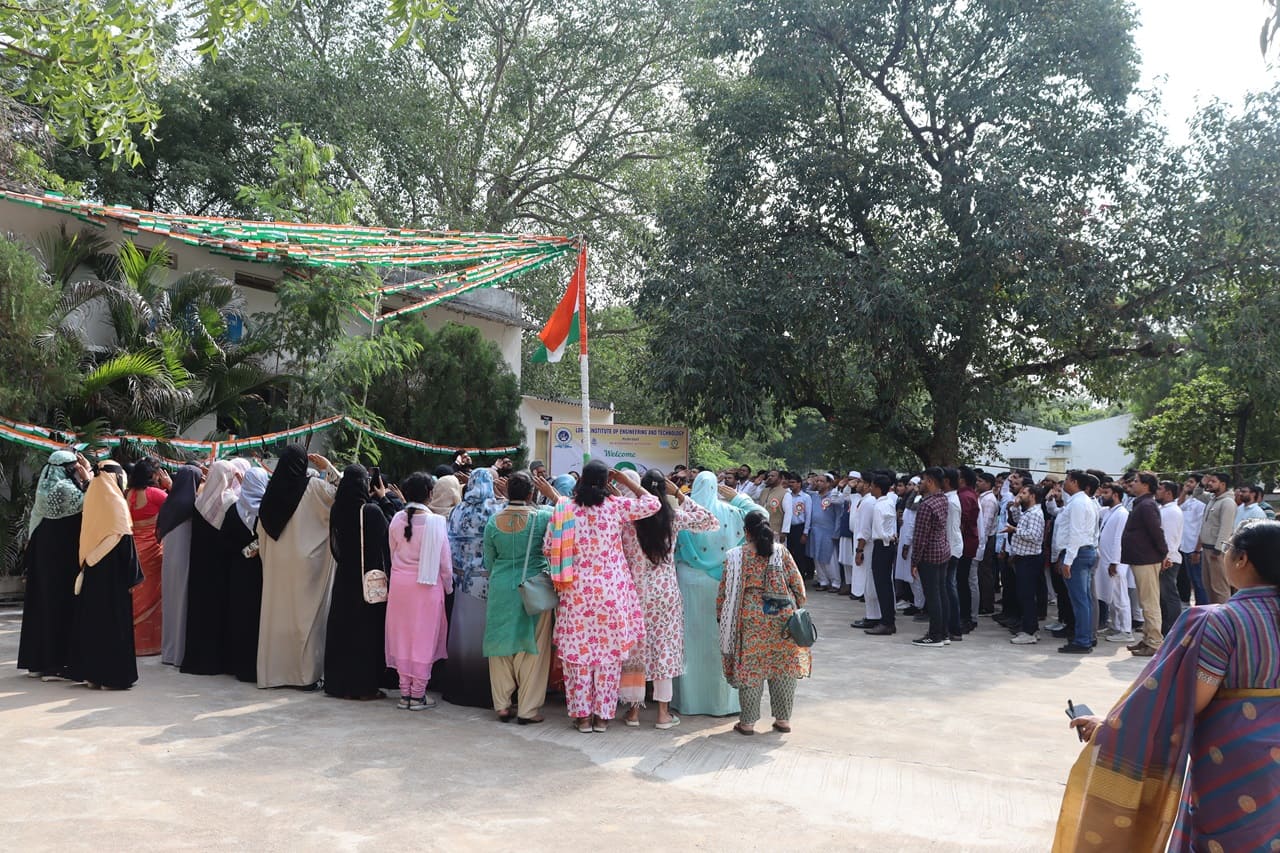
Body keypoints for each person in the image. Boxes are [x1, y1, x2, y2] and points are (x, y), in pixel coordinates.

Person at [1055, 519, 1280, 851]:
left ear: (1242, 559)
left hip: (1235, 764)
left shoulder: (1223, 622)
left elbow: (1183, 704)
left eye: (1228, 547)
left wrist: (1110, 729)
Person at [552, 460, 660, 733]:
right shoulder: (615, 506)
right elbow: (653, 503)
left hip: (575, 592)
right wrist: (625, 482)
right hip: (611, 592)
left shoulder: (565, 509)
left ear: (581, 479)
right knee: (608, 658)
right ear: (605, 482)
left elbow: (548, 547)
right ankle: (602, 717)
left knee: (578, 657)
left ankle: (583, 718)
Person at [619, 469, 719, 729]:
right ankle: (663, 714)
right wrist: (680, 495)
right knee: (664, 648)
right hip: (665, 592)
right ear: (664, 491)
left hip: (636, 592)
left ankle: (633, 711)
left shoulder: (629, 519)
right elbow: (709, 520)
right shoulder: (673, 517)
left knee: (637, 649)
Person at [671, 472, 764, 716]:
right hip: (723, 581)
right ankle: (722, 703)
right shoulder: (732, 512)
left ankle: (690, 701)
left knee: (690, 640)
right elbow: (762, 515)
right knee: (721, 639)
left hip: (689, 580)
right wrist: (739, 498)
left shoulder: (684, 514)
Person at [718, 512, 810, 736]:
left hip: (749, 620)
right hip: (782, 619)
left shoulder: (735, 556)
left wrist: (721, 615)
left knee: (751, 669)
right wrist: (796, 607)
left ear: (746, 532)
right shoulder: (782, 552)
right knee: (784, 668)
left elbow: (724, 592)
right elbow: (798, 585)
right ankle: (783, 720)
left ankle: (747, 724)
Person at [256, 446, 339, 689]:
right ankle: (303, 676)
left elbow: (261, 530)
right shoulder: (313, 488)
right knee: (305, 620)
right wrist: (329, 468)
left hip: (278, 565)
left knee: (278, 617)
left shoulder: (270, 494)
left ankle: (275, 673)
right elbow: (345, 492)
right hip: (306, 566)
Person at [483, 472, 560, 723]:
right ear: (531, 493)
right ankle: (528, 709)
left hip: (501, 587)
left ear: (507, 492)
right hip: (534, 589)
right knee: (533, 647)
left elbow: (489, 561)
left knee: (499, 645)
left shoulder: (493, 522)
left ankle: (502, 705)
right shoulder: (543, 517)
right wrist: (552, 494)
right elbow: (568, 513)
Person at [18, 450, 92, 680]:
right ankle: (55, 665)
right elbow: (92, 500)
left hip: (43, 556)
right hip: (61, 561)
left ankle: (37, 662)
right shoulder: (65, 490)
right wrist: (89, 475)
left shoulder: (44, 490)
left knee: (42, 606)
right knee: (59, 608)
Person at [320, 465, 391, 700]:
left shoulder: (337, 510)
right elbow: (389, 533)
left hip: (344, 579)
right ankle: (363, 687)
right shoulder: (371, 512)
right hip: (366, 582)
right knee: (365, 634)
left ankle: (339, 684)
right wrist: (384, 498)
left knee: (343, 632)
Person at [69, 462, 140, 690]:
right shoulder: (117, 503)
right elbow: (125, 541)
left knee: (93, 623)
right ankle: (113, 678)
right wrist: (133, 577)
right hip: (115, 579)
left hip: (93, 572)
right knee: (113, 625)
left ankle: (93, 675)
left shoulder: (93, 497)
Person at [386, 473, 451, 711]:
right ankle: (418, 694)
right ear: (430, 494)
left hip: (400, 586)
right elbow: (445, 563)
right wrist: (448, 586)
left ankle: (405, 693)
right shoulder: (436, 522)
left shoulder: (396, 519)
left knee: (402, 637)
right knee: (423, 639)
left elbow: (392, 552)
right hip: (427, 587)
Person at [444, 467, 503, 708]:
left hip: (461, 581)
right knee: (485, 638)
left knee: (462, 636)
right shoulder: (496, 510)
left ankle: (459, 689)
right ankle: (486, 691)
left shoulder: (457, 510)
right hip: (488, 583)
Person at [182, 458, 247, 676]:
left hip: (199, 567)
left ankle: (196, 661)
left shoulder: (199, 501)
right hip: (219, 569)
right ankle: (215, 662)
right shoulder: (229, 502)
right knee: (216, 614)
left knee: (199, 613)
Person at [224, 467, 268, 683]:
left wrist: (241, 551)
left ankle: (239, 666)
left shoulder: (234, 510)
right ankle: (256, 667)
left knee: (240, 617)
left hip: (239, 571)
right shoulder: (268, 510)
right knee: (257, 618)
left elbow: (224, 542)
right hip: (260, 572)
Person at [157, 464, 202, 666]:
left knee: (171, 603)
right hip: (185, 560)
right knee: (183, 604)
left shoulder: (171, 502)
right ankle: (180, 653)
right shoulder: (192, 504)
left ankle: (169, 652)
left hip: (169, 562)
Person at [125, 457, 171, 656]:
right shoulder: (156, 494)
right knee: (153, 595)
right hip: (153, 551)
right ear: (152, 475)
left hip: (133, 550)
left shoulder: (128, 494)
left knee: (135, 596)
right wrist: (170, 486)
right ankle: (152, 644)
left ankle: (132, 644)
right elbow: (176, 507)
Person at [1121, 471, 1168, 658]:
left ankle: (1155, 642)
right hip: (1140, 558)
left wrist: (1164, 553)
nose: (1132, 484)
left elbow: (1156, 531)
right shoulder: (1142, 503)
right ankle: (1148, 638)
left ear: (1146, 485)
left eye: (1136, 481)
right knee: (1145, 601)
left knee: (1150, 603)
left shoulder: (1147, 505)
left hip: (1147, 559)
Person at [1054, 470, 1100, 655]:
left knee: (1080, 600)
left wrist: (1068, 560)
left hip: (1078, 554)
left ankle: (1082, 641)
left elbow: (1076, 533)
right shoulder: (1081, 501)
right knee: (1084, 599)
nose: (1064, 483)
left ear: (1074, 482)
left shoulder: (1079, 503)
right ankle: (1085, 637)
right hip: (1082, 552)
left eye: (1066, 480)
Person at [910, 468, 953, 648]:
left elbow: (920, 537)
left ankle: (935, 635)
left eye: (922, 481)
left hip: (929, 554)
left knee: (933, 596)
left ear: (930, 481)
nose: (919, 484)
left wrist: (914, 561)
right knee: (941, 593)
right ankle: (943, 633)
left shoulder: (927, 505)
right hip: (942, 550)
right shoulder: (943, 499)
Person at [1005, 484, 1046, 644]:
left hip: (1030, 559)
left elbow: (1034, 536)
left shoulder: (1035, 514)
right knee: (1024, 595)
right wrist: (1015, 507)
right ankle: (1031, 628)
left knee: (1027, 596)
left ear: (1033, 496)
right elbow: (1018, 521)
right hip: (1023, 558)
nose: (1020, 495)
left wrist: (1014, 530)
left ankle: (1029, 632)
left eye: (1024, 493)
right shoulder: (1028, 512)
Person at [1094, 483, 1133, 645]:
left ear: (1115, 495)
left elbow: (1119, 539)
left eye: (1106, 493)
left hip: (1116, 562)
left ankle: (1126, 630)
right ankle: (1116, 626)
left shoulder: (1122, 513)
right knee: (1110, 597)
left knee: (1120, 597)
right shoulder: (1110, 511)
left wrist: (1115, 562)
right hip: (1107, 560)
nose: (1103, 496)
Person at [861, 472, 899, 636]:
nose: (870, 489)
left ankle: (886, 622)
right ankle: (888, 620)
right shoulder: (889, 502)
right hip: (889, 544)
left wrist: (886, 537)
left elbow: (879, 528)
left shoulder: (878, 506)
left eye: (872, 486)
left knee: (882, 585)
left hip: (882, 545)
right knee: (885, 584)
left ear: (877, 488)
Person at [1198, 472, 1236, 604]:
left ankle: (1224, 613)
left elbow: (1226, 528)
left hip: (1216, 551)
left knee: (1219, 587)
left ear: (1223, 484)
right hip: (1206, 548)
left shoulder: (1227, 502)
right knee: (1208, 585)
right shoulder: (1212, 499)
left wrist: (1218, 549)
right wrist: (1201, 483)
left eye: (1213, 481)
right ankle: (1214, 613)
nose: (1209, 483)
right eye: (1209, 481)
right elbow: (1197, 494)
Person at [1157, 480, 1185, 638]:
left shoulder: (1172, 512)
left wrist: (1166, 558)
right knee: (1163, 597)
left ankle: (1173, 631)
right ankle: (1164, 630)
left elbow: (1170, 538)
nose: (1156, 491)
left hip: (1168, 560)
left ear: (1168, 493)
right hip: (1164, 558)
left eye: (1160, 489)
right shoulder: (1165, 509)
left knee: (1169, 596)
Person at [1177, 475, 1208, 605]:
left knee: (1199, 582)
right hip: (1185, 546)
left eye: (1191, 482)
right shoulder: (1188, 500)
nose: (1187, 484)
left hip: (1195, 548)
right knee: (1191, 580)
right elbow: (1178, 506)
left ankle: (1203, 608)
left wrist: (1197, 550)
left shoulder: (1202, 503)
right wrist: (1184, 492)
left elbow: (1202, 527)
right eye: (1187, 481)